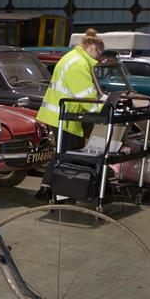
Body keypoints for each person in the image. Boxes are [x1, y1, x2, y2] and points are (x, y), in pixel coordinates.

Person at [35, 28, 105, 200]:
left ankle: (52, 190)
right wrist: (103, 107)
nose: (98, 58)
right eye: (99, 54)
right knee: (64, 154)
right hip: (64, 117)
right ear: (93, 49)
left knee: (63, 153)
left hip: (60, 115)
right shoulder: (78, 64)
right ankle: (51, 192)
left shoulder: (73, 58)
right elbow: (86, 97)